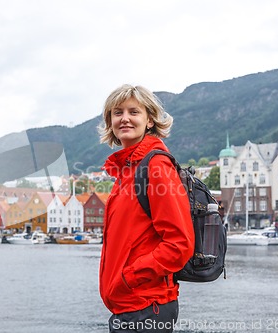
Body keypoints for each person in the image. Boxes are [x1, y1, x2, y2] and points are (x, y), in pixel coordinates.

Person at [98, 84, 194, 332]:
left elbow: (179, 244)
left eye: (134, 112)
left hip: (146, 306)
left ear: (150, 120)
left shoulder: (156, 166)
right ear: (110, 121)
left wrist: (129, 278)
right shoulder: (127, 172)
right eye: (117, 113)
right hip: (130, 307)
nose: (125, 118)